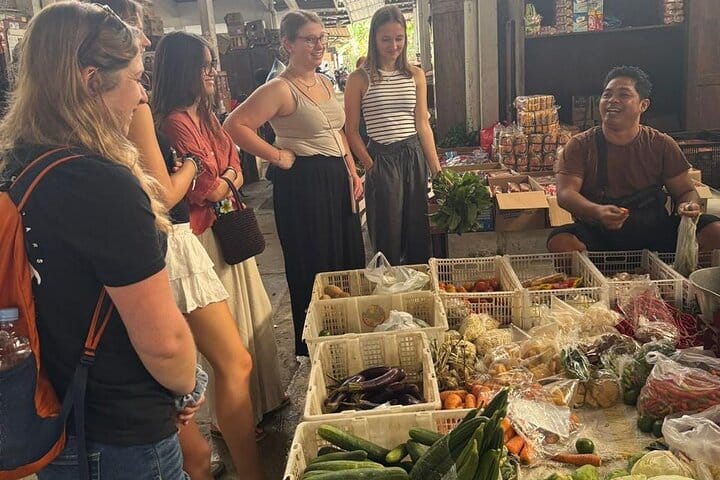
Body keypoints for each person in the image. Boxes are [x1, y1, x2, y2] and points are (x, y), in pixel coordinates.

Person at [0, 2, 197, 478]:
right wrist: (189, 383)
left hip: (55, 419)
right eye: (136, 78)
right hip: (121, 437)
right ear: (91, 81)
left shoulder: (18, 165)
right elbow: (164, 344)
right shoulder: (101, 183)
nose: (142, 96)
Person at [88, 1, 264, 478]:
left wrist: (213, 172)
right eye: (137, 27)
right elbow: (168, 193)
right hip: (170, 242)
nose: (148, 38)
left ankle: (213, 466)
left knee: (188, 382)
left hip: (151, 244)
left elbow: (227, 162)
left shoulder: (96, 115)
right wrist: (191, 165)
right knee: (220, 367)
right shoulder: (140, 108)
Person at [152, 31, 290, 437]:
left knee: (252, 315)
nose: (213, 73)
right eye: (205, 66)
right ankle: (231, 421)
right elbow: (206, 189)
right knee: (226, 332)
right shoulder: (173, 123)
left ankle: (263, 402)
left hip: (228, 225)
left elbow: (236, 168)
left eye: (212, 64)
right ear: (184, 70)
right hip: (203, 237)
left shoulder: (208, 117)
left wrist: (223, 177)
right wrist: (225, 177)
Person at [224, 10, 365, 357]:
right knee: (313, 260)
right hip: (305, 183)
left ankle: (347, 335)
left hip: (336, 178)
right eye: (309, 39)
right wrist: (276, 155)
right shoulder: (279, 88)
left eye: (321, 38)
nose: (318, 45)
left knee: (346, 256)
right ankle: (318, 345)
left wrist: (351, 171)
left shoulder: (325, 82)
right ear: (288, 43)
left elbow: (337, 132)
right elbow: (234, 125)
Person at [548, 66, 720, 253]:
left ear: (643, 105)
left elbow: (686, 191)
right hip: (599, 232)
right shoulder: (580, 145)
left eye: (624, 95)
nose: (612, 100)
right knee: (561, 242)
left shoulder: (661, 144)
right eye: (607, 95)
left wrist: (688, 205)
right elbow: (565, 194)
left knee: (714, 231)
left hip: (655, 232)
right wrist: (597, 211)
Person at [344, 5, 441, 266]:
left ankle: (421, 283)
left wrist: (437, 170)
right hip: (382, 158)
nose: (393, 45)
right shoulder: (359, 78)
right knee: (387, 233)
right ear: (374, 39)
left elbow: (422, 124)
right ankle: (387, 285)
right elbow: (351, 130)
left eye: (399, 38)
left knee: (417, 228)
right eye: (386, 39)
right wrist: (370, 164)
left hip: (413, 154)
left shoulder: (415, 75)